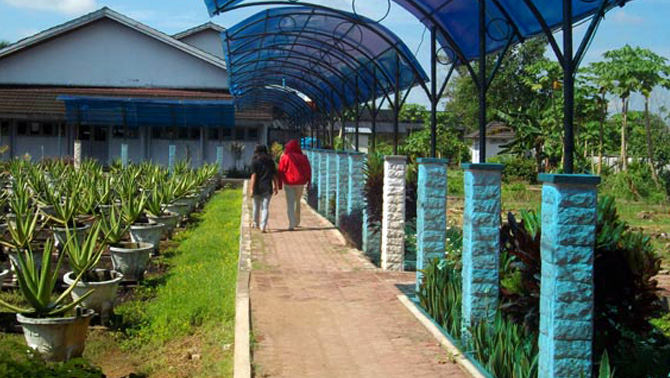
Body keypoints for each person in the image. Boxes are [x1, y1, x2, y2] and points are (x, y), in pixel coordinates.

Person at [278, 139, 311, 230]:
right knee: (298, 201)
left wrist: (280, 184)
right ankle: (297, 221)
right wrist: (309, 182)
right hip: (300, 182)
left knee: (290, 203)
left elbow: (280, 171)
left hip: (289, 182)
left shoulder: (285, 157)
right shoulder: (303, 157)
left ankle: (291, 223)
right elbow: (308, 170)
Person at [250, 145, 279, 233]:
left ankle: (255, 223)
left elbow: (253, 176)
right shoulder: (271, 162)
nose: (258, 154)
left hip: (257, 187)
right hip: (267, 187)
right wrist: (276, 186)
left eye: (258, 153)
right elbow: (274, 176)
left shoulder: (254, 162)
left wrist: (251, 189)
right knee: (265, 207)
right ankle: (263, 226)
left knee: (256, 206)